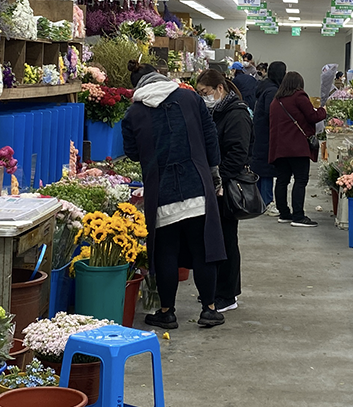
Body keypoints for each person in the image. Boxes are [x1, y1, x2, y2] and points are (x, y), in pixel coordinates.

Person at [122, 71, 228, 329]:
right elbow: (210, 136)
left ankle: (167, 312)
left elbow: (132, 153)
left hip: (162, 191)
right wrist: (214, 172)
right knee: (203, 250)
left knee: (165, 253)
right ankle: (209, 309)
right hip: (197, 185)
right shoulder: (190, 99)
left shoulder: (133, 113)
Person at [196, 69, 252, 312]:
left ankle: (228, 295)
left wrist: (218, 180)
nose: (203, 97)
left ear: (220, 88)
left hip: (227, 187)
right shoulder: (217, 112)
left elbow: (238, 154)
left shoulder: (237, 114)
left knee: (227, 239)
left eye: (205, 92)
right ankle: (216, 289)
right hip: (215, 184)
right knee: (216, 239)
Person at [268, 70, 327, 227]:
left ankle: (284, 213)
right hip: (297, 147)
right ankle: (298, 216)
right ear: (298, 84)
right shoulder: (299, 96)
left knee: (282, 180)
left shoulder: (276, 101)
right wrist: (324, 110)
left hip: (279, 148)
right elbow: (313, 117)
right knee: (300, 180)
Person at [250, 61, 286, 210]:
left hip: (260, 133)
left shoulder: (264, 87)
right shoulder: (272, 90)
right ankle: (266, 202)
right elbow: (271, 114)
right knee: (266, 169)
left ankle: (258, 201)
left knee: (260, 168)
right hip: (267, 135)